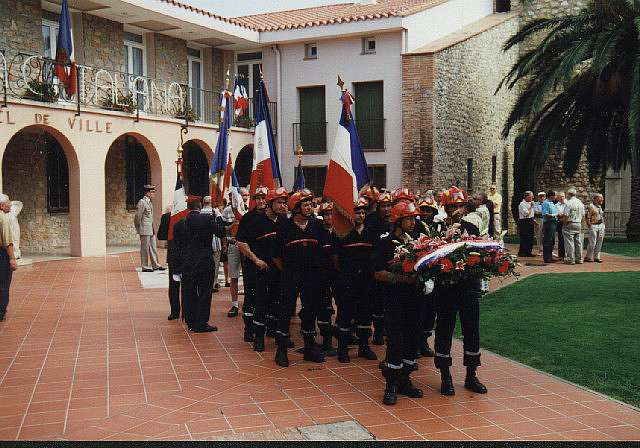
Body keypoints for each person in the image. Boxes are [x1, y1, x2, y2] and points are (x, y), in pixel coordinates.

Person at [434, 187, 487, 396]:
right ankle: (445, 375)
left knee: (472, 329)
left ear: (464, 207)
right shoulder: (436, 229)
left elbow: (481, 252)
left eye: (458, 206)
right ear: (445, 208)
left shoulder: (472, 227)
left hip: (468, 285)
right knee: (445, 329)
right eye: (451, 206)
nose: (455, 210)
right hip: (446, 287)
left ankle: (471, 375)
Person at [373, 201, 423, 405]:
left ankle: (405, 379)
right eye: (408, 219)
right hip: (395, 299)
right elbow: (378, 273)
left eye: (413, 218)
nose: (412, 222)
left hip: (415, 299)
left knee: (412, 338)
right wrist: (403, 279)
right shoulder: (385, 243)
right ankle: (391, 384)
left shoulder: (419, 241)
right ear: (398, 221)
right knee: (396, 341)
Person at [272, 189, 327, 367]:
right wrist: (288, 271)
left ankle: (309, 348)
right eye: (305, 204)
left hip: (312, 276)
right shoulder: (284, 227)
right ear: (296, 208)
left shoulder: (317, 226)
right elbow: (276, 255)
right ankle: (281, 350)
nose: (309, 207)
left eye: (311, 204)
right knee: (286, 310)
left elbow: (322, 251)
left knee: (310, 310)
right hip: (291, 275)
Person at [332, 197, 377, 363]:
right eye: (357, 212)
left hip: (366, 280)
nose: (361, 215)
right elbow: (335, 258)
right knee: (345, 314)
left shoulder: (371, 232)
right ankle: (342, 349)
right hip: (347, 280)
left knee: (365, 314)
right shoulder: (341, 233)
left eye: (364, 212)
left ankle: (364, 346)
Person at [173, 196, 227, 332]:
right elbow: (221, 231)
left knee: (189, 291)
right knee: (204, 292)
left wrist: (177, 266)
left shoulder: (179, 223)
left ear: (188, 207)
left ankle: (190, 321)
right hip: (204, 262)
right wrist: (218, 216)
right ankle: (201, 323)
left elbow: (176, 247)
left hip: (187, 263)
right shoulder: (207, 219)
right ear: (200, 206)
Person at [236, 186, 275, 351]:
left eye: (263, 198)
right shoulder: (248, 218)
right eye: (258, 198)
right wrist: (255, 259)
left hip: (272, 266)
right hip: (254, 265)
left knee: (272, 298)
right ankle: (249, 329)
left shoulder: (275, 218)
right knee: (252, 297)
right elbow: (241, 243)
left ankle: (271, 328)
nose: (261, 201)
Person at [364, 191, 393, 345]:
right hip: (375, 266)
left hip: (392, 266)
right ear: (378, 207)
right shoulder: (371, 221)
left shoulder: (396, 221)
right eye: (383, 206)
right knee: (376, 302)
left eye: (389, 206)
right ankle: (378, 332)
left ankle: (388, 329)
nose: (387, 209)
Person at [223, 187, 248, 319]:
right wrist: (232, 226)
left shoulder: (250, 209)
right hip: (234, 245)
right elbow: (224, 229)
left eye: (245, 195)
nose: (243, 197)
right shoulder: (228, 210)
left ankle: (249, 303)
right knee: (234, 276)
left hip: (247, 246)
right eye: (240, 195)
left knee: (249, 275)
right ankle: (234, 304)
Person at [317, 201, 337, 356]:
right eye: (326, 214)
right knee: (324, 307)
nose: (329, 217)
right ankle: (326, 338)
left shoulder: (341, 232)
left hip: (339, 274)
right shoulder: (318, 232)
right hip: (322, 274)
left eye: (331, 213)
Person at [157, 206, 180, 320]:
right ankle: (188, 312)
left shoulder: (167, 217)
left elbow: (161, 235)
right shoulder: (190, 215)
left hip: (174, 254)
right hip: (187, 255)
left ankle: (175, 312)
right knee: (188, 285)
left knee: (174, 285)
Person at [134, 184, 165, 272]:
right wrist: (138, 228)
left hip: (150, 228)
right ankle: (145, 266)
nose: (154, 193)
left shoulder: (149, 202)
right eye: (152, 192)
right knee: (145, 248)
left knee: (153, 247)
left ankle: (155, 264)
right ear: (147, 193)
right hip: (144, 229)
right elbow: (137, 217)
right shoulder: (142, 202)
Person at [0, 194, 17, 322]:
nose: (10, 204)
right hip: (2, 255)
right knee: (4, 284)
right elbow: (7, 242)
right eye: (8, 202)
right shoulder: (3, 219)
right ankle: (1, 312)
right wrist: (12, 258)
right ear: (1, 205)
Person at [201, 196, 224, 292]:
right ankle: (213, 283)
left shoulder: (200, 212)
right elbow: (221, 226)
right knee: (215, 263)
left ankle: (205, 283)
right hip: (215, 241)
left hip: (203, 241)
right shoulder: (215, 212)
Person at [562, 187, 585, 265]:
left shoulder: (569, 202)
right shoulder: (580, 202)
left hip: (570, 223)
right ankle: (579, 258)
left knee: (569, 241)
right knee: (578, 241)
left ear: (569, 194)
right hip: (578, 223)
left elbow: (566, 215)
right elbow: (583, 214)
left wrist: (564, 224)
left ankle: (570, 259)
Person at [585, 193, 605, 263]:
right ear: (596, 199)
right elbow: (587, 217)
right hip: (593, 225)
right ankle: (589, 257)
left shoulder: (599, 206)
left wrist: (603, 224)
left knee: (600, 241)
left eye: (602, 198)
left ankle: (597, 257)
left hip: (601, 225)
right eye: (600, 198)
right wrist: (589, 225)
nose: (602, 199)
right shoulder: (591, 206)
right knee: (592, 242)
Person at [541, 191, 558, 263]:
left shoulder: (552, 203)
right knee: (547, 240)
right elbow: (545, 214)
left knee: (552, 241)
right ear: (551, 196)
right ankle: (546, 258)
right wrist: (554, 215)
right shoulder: (545, 203)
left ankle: (550, 256)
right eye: (554, 196)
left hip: (553, 222)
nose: (555, 197)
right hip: (548, 223)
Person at [518, 191, 535, 257]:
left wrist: (534, 220)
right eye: (531, 196)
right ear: (526, 197)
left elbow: (531, 214)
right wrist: (531, 207)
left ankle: (528, 252)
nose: (532, 198)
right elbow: (526, 214)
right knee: (524, 237)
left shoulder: (530, 203)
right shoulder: (522, 204)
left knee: (530, 237)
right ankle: (522, 252)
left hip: (530, 221)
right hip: (524, 222)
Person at [554, 192, 566, 259]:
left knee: (566, 239)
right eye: (560, 197)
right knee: (561, 239)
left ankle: (567, 254)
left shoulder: (568, 204)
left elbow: (567, 214)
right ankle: (561, 255)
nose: (561, 198)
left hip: (567, 223)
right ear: (558, 198)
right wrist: (561, 215)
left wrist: (562, 215)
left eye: (563, 196)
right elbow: (556, 214)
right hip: (559, 223)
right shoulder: (556, 205)